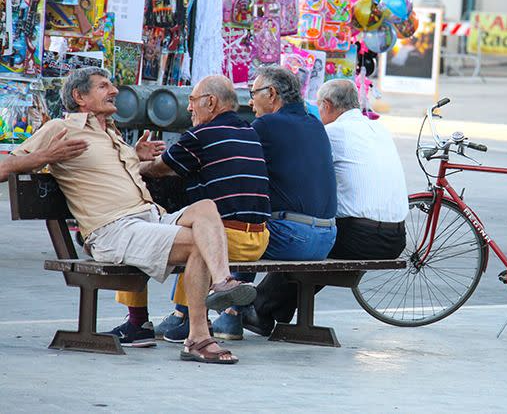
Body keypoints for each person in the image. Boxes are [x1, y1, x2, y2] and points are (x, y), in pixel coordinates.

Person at [0, 67, 254, 364]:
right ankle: (198, 337)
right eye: (103, 86)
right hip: (112, 230)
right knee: (198, 241)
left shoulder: (112, 133)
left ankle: (223, 283)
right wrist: (43, 157)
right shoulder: (61, 128)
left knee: (206, 208)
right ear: (79, 96)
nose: (114, 91)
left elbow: (112, 172)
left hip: (149, 218)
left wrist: (135, 156)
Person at [114, 75, 271, 343]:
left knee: (136, 236)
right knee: (193, 228)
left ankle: (139, 321)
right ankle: (183, 315)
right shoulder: (249, 132)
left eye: (192, 100)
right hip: (259, 239)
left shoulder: (202, 135)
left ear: (211, 102)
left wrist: (128, 165)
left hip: (227, 237)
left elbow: (157, 169)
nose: (189, 108)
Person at [236, 66, 337, 337]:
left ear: (271, 94)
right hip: (327, 238)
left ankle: (199, 315)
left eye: (253, 93)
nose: (249, 101)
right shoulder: (314, 123)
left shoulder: (266, 125)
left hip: (295, 237)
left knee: (226, 232)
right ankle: (241, 310)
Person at [317, 79, 408, 260]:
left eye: (318, 107)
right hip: (396, 240)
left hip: (358, 238)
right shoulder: (379, 129)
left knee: (299, 239)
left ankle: (263, 289)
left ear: (327, 105)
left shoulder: (333, 131)